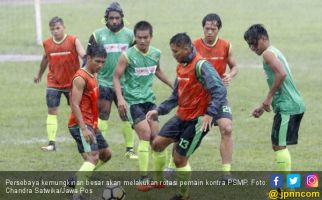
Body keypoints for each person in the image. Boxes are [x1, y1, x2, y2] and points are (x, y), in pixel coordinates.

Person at [146, 33, 227, 200]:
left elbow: (220, 89)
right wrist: (159, 110)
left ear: (186, 48)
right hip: (181, 117)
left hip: (197, 121)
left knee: (179, 160)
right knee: (157, 144)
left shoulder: (201, 66)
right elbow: (176, 95)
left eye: (176, 51)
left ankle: (184, 196)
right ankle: (159, 181)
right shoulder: (181, 65)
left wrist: (210, 114)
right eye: (172, 51)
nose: (173, 55)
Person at [113, 21, 173, 191]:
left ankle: (159, 179)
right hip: (133, 102)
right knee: (145, 134)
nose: (142, 41)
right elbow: (116, 77)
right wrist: (120, 99)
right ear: (135, 37)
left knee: (158, 139)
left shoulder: (156, 53)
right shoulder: (127, 55)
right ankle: (144, 178)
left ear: (151, 37)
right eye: (139, 37)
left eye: (145, 37)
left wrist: (173, 85)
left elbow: (157, 70)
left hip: (149, 101)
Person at [244, 24, 305, 174]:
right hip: (291, 104)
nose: (252, 48)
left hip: (288, 106)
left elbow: (281, 74)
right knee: (278, 145)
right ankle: (285, 188)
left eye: (254, 43)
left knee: (279, 145)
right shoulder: (274, 51)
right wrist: (263, 105)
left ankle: (284, 189)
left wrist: (269, 98)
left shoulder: (267, 54)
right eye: (249, 45)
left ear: (263, 38)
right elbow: (278, 81)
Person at [87, 2, 137, 159]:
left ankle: (130, 149)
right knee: (103, 114)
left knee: (126, 116)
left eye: (117, 18)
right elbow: (87, 59)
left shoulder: (130, 35)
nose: (114, 21)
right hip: (104, 82)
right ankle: (99, 147)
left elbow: (136, 57)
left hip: (124, 84)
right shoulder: (97, 35)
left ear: (122, 18)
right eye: (111, 18)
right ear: (106, 19)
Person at [191, 13, 237, 174]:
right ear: (203, 28)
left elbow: (234, 67)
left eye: (213, 29)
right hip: (197, 97)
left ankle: (226, 173)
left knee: (227, 128)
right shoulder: (193, 46)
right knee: (186, 130)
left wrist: (229, 75)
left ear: (218, 29)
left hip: (218, 97)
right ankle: (171, 163)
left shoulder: (226, 46)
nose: (209, 32)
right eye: (207, 28)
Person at [34, 16, 85, 151]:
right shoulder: (47, 43)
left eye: (58, 28)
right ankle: (52, 143)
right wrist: (39, 74)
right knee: (52, 110)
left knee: (77, 109)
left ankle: (83, 137)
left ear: (63, 27)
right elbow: (45, 58)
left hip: (72, 83)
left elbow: (83, 56)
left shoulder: (73, 40)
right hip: (54, 82)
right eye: (52, 29)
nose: (55, 31)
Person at [68, 44, 111, 199]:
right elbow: (74, 104)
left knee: (106, 154)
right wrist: (84, 129)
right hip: (80, 125)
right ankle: (77, 194)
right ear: (88, 58)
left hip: (91, 124)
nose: (100, 65)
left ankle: (77, 179)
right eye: (97, 61)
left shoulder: (94, 74)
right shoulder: (80, 78)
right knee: (93, 157)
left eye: (102, 62)